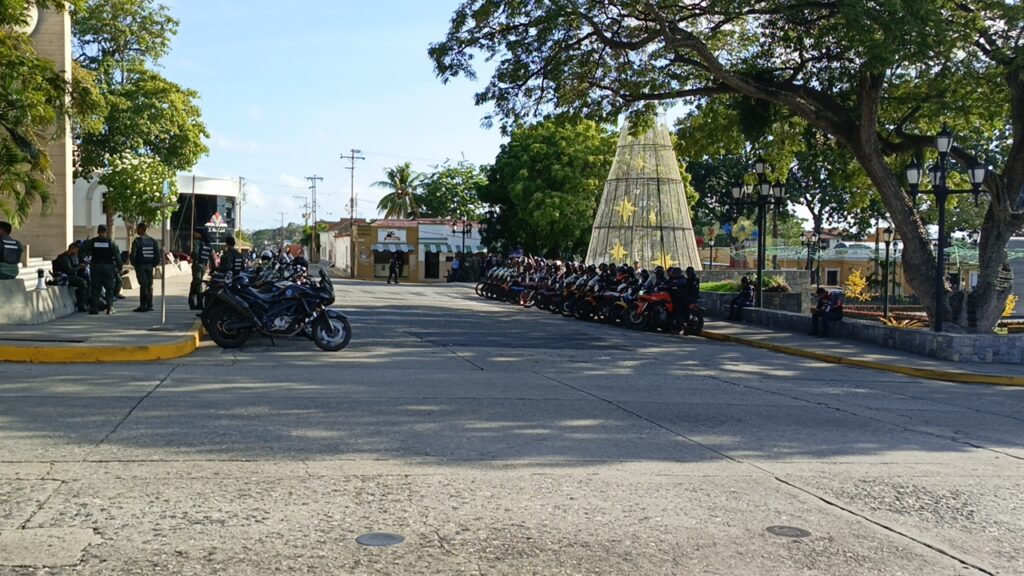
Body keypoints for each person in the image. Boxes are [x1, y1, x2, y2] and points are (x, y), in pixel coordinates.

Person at [81, 224, 122, 315]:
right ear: (106, 232)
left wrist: (85, 258)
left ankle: (94, 308)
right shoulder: (111, 242)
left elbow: (82, 249)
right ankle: (110, 308)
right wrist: (119, 267)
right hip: (108, 267)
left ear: (98, 232)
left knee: (96, 288)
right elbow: (117, 257)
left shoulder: (92, 242)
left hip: (95, 267)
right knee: (109, 288)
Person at [130, 223, 161, 312]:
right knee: (149, 285)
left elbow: (133, 255)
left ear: (142, 229)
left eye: (138, 229)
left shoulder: (137, 241)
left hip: (140, 265)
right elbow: (157, 256)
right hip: (150, 266)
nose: (136, 231)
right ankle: (149, 304)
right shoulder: (153, 241)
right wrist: (153, 264)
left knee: (143, 285)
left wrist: (134, 264)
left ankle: (143, 305)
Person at [53, 242, 89, 312]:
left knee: (86, 280)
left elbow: (73, 266)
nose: (77, 252)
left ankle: (85, 302)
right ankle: (81, 304)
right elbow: (69, 270)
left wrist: (80, 265)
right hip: (63, 277)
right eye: (76, 250)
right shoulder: (63, 257)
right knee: (82, 282)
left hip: (68, 275)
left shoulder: (70, 257)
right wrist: (79, 267)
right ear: (72, 249)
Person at [189, 228, 212, 310]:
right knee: (197, 283)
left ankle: (196, 303)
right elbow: (211, 257)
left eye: (195, 233)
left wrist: (195, 261)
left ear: (200, 234)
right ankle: (197, 303)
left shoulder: (198, 243)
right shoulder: (208, 245)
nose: (193, 234)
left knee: (196, 284)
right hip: (204, 266)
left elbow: (195, 253)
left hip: (198, 265)